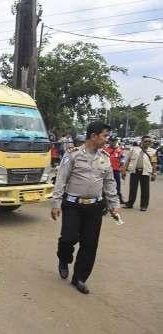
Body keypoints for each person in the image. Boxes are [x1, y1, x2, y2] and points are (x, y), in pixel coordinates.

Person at [51, 122, 120, 294]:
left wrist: (114, 205)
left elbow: (109, 182)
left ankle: (79, 278)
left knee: (90, 244)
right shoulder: (73, 155)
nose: (107, 139)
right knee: (68, 238)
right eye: (104, 136)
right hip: (73, 204)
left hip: (95, 207)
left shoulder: (104, 157)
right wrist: (56, 203)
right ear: (94, 136)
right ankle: (64, 258)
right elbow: (61, 179)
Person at [122, 135, 157, 211]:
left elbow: (154, 163)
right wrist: (123, 170)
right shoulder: (134, 149)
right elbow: (127, 160)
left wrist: (154, 174)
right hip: (134, 172)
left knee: (145, 190)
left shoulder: (153, 151)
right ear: (141, 141)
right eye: (145, 141)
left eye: (149, 141)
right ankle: (130, 203)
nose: (147, 143)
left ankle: (144, 206)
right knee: (132, 189)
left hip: (145, 172)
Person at [104, 137, 124, 204]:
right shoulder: (105, 149)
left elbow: (122, 159)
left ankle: (119, 198)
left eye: (114, 141)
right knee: (106, 185)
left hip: (116, 170)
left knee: (117, 185)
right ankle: (105, 199)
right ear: (109, 141)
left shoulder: (119, 150)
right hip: (106, 170)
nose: (113, 142)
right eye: (111, 141)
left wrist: (121, 167)